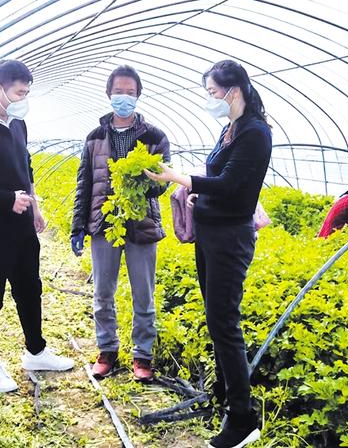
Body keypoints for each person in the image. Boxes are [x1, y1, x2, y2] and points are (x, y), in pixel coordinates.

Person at [146, 60, 272, 448]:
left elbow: (232, 185)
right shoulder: (229, 129)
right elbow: (219, 181)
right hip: (211, 233)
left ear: (233, 91)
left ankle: (243, 419)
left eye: (213, 92)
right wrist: (198, 195)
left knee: (225, 323)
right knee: (216, 319)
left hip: (230, 239)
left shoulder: (255, 132)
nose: (210, 99)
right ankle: (224, 395)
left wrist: (177, 177)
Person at [0, 59, 74, 393]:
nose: (24, 99)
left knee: (30, 288)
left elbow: (26, 166)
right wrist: (8, 199)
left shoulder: (18, 123)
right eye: (20, 93)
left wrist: (34, 206)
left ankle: (36, 351)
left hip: (22, 225)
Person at [71, 65, 170, 382]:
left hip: (142, 224)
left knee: (144, 294)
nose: (124, 97)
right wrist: (78, 225)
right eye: (119, 92)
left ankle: (142, 356)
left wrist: (141, 181)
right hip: (104, 223)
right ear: (109, 94)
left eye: (130, 92)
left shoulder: (155, 136)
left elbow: (164, 182)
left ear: (138, 95)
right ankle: (107, 351)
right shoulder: (95, 137)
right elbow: (85, 183)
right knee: (102, 293)